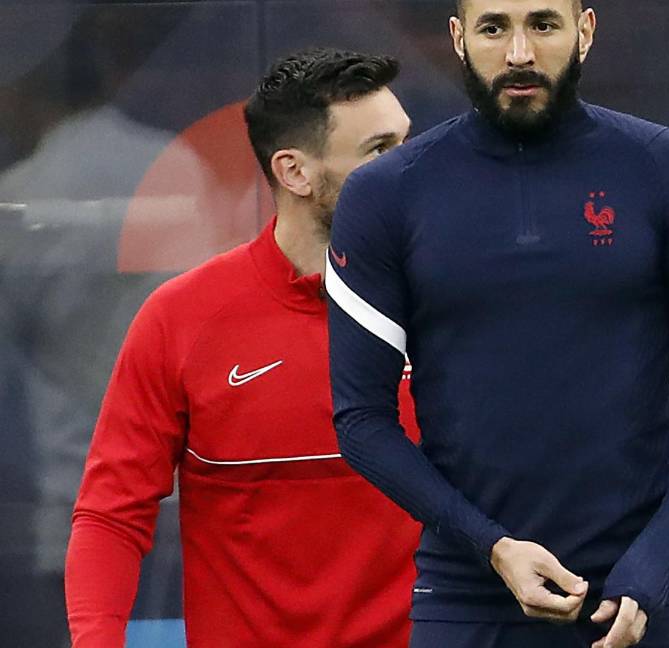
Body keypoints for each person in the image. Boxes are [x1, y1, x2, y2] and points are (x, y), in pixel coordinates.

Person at [324, 1, 669, 646]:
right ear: (458, 38)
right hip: (468, 593)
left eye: (544, 24)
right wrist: (491, 545)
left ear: (585, 31)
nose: (520, 53)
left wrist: (654, 564)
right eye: (494, 27)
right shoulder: (386, 194)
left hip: (645, 598)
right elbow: (360, 420)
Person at [65, 47, 421, 647]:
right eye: (379, 151)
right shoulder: (180, 321)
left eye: (408, 143)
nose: (410, 168)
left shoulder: (453, 306)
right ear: (295, 173)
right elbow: (110, 514)